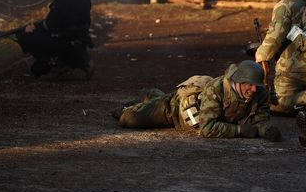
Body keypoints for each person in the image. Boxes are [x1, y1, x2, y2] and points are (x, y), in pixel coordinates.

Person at [114, 60, 282, 142]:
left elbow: (260, 120)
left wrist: (266, 131)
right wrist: (238, 130)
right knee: (126, 119)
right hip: (173, 111)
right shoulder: (216, 89)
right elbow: (207, 129)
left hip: (188, 116)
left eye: (257, 86)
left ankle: (151, 95)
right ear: (238, 81)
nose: (254, 90)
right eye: (250, 86)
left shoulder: (259, 93)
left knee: (154, 98)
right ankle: (140, 99)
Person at [16, 0, 93, 79]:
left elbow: (52, 25)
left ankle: (60, 65)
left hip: (67, 44)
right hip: (78, 42)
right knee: (37, 69)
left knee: (25, 36)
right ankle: (78, 61)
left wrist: (33, 29)